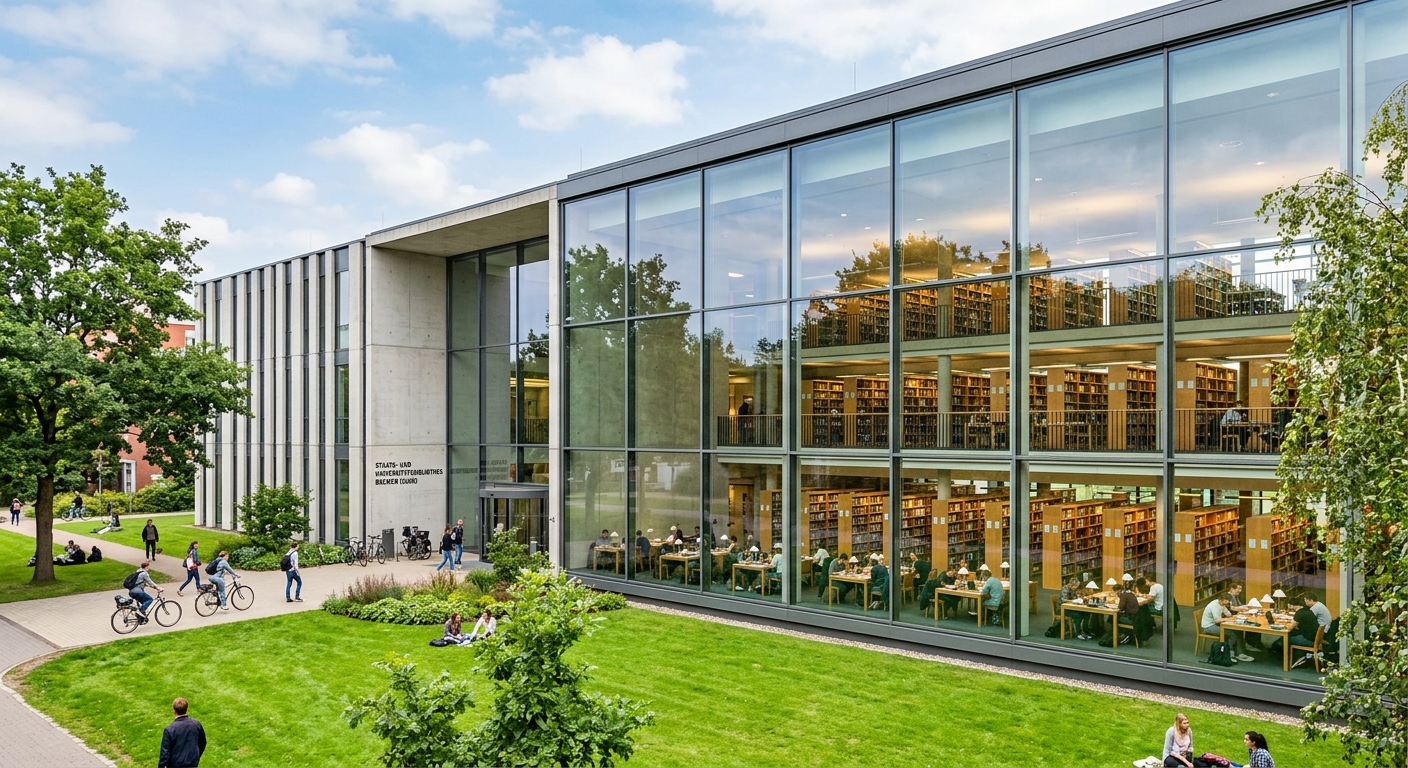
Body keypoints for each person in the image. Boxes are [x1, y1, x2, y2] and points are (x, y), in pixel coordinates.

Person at [158, 697, 206, 768]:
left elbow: (165, 754)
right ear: (187, 709)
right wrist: (196, 756)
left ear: (174, 712)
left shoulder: (169, 729)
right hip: (192, 763)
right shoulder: (196, 724)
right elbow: (202, 742)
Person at [1201, 593, 1249, 661]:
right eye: (1226, 601)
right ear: (1220, 600)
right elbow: (1217, 620)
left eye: (1228, 601)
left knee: (1236, 631)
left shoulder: (1221, 604)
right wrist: (1227, 619)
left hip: (1215, 624)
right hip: (1209, 627)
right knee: (1231, 634)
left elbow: (1228, 613)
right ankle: (1230, 653)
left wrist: (1235, 617)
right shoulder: (1214, 606)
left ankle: (1239, 653)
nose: (1227, 603)